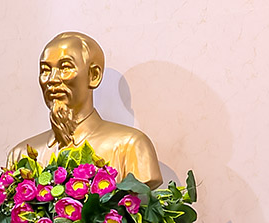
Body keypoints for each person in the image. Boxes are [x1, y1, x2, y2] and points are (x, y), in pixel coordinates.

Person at [8, 31, 162, 187]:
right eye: (45, 70)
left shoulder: (130, 146)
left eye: (65, 67)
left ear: (94, 76)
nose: (52, 79)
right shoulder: (21, 155)